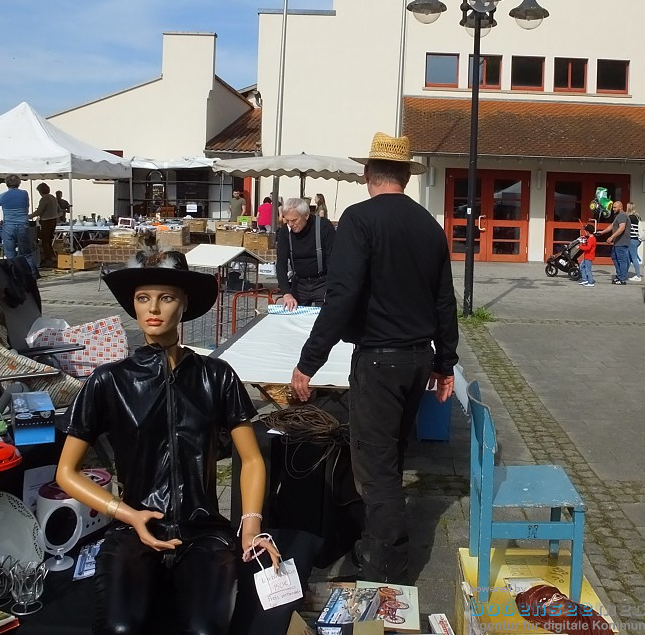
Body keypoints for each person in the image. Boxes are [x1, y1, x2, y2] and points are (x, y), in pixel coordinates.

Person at [56, 249, 280, 634]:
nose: (153, 308)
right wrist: (127, 515)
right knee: (120, 628)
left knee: (205, 629)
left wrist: (251, 524)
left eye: (166, 297)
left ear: (185, 303)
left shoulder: (217, 376)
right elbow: (66, 471)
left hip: (203, 530)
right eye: (143, 298)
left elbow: (252, 459)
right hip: (133, 527)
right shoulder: (110, 380)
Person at [288, 132, 458, 583]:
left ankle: (388, 567)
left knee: (375, 465)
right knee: (391, 453)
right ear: (404, 176)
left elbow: (341, 296)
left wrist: (309, 361)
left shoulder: (359, 220)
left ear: (367, 175)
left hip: (380, 361)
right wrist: (446, 362)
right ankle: (378, 541)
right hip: (418, 358)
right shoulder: (429, 225)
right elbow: (445, 300)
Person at [277, 196, 336, 309]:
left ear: (306, 215)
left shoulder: (323, 226)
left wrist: (331, 288)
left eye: (294, 220)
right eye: (287, 220)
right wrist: (286, 293)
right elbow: (281, 263)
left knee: (324, 319)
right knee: (294, 320)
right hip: (299, 283)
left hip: (322, 282)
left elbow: (332, 260)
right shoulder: (286, 231)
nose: (290, 224)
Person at [0, 174, 38, 277]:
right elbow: (27, 206)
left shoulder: (1, 196)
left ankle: (14, 276)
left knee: (10, 253)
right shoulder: (24, 194)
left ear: (6, 183)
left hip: (9, 226)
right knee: (26, 252)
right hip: (23, 225)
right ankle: (33, 275)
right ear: (19, 183)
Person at [599, 201, 631, 285]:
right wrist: (602, 232)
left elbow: (622, 228)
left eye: (615, 207)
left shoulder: (622, 215)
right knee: (614, 257)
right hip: (617, 243)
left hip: (622, 242)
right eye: (613, 207)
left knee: (621, 260)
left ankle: (622, 279)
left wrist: (612, 237)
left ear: (620, 207)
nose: (613, 209)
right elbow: (612, 226)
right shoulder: (618, 216)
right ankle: (619, 276)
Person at [30, 183, 60, 269]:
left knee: (45, 241)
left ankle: (48, 260)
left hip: (46, 221)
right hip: (53, 220)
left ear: (40, 191)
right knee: (49, 240)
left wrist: (29, 216)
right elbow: (58, 210)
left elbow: (39, 211)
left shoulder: (44, 199)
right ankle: (53, 258)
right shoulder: (53, 198)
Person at [626, 202, 643, 281]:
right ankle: (624, 273)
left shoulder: (630, 217)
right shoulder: (637, 216)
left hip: (632, 239)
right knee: (630, 257)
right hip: (637, 239)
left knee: (633, 257)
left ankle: (638, 276)